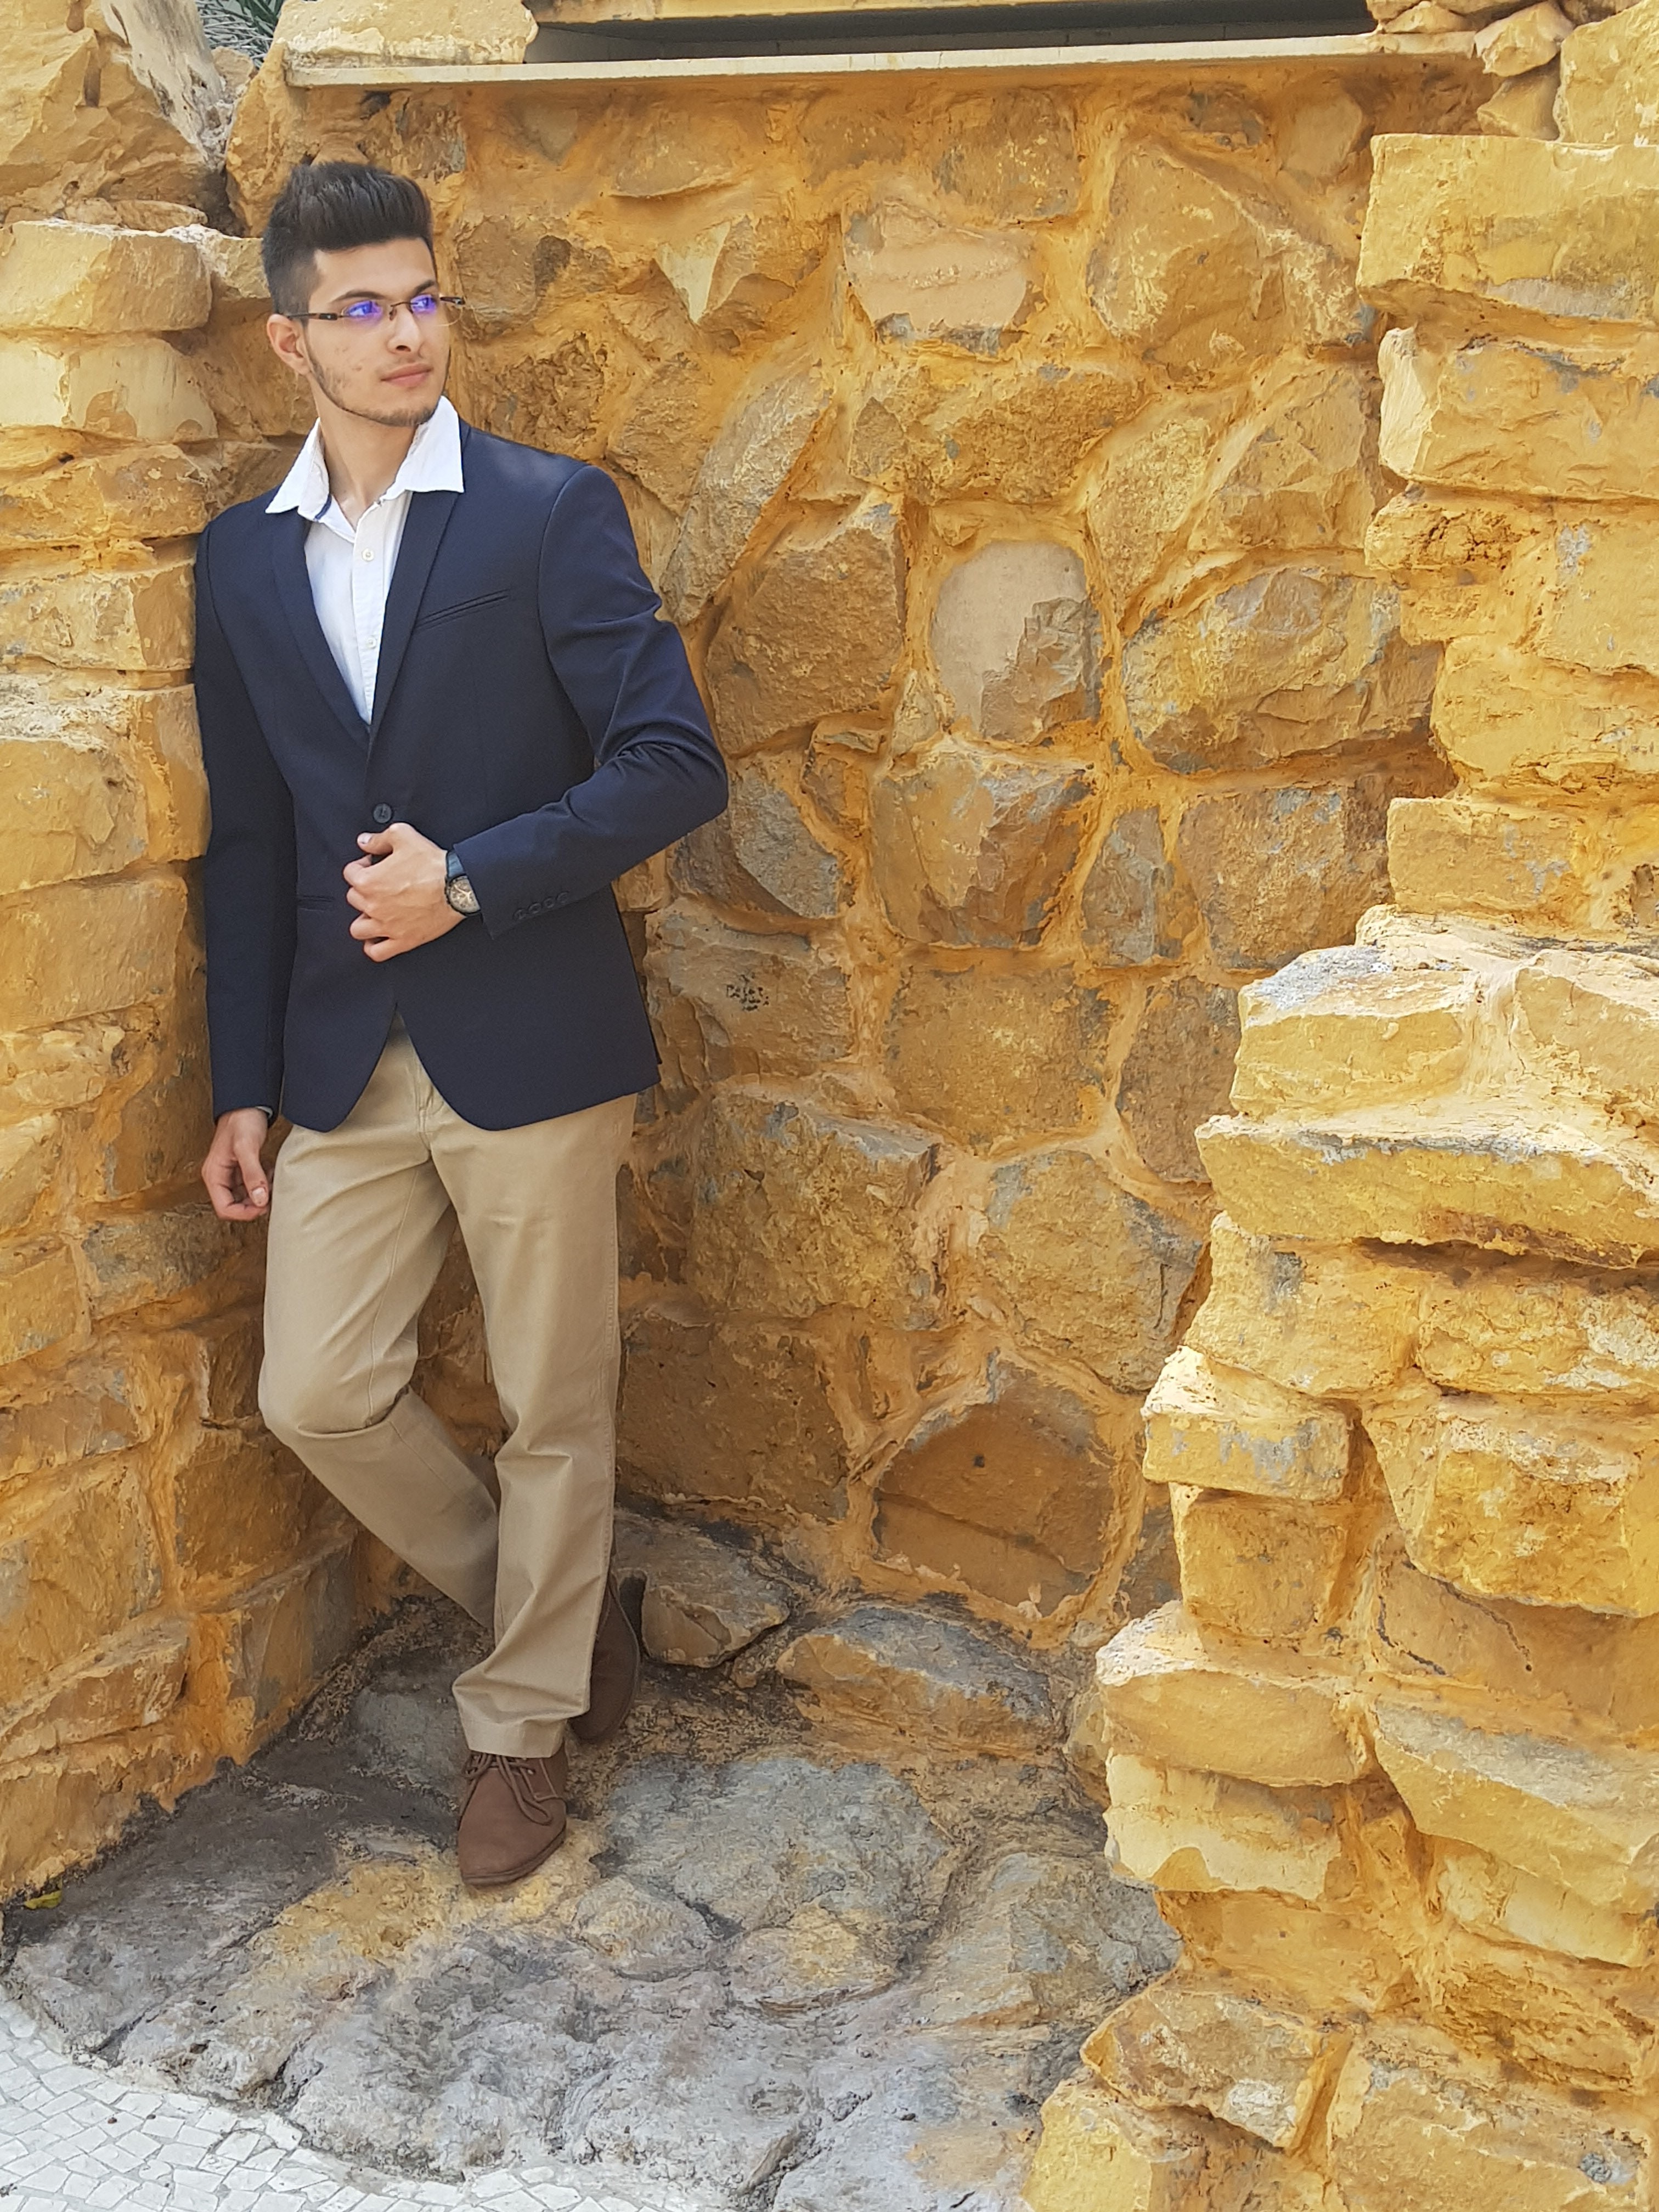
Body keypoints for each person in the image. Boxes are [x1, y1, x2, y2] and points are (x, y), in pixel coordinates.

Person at [194, 159, 727, 1888]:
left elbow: (673, 764)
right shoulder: (241, 562)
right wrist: (243, 1084)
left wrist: (473, 880)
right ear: (291, 342)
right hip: (342, 1052)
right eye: (360, 309)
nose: (404, 333)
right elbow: (251, 841)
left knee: (554, 1401)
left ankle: (520, 1731)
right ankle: (552, 1620)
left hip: (531, 1029)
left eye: (421, 297)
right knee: (317, 1390)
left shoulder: (543, 513)